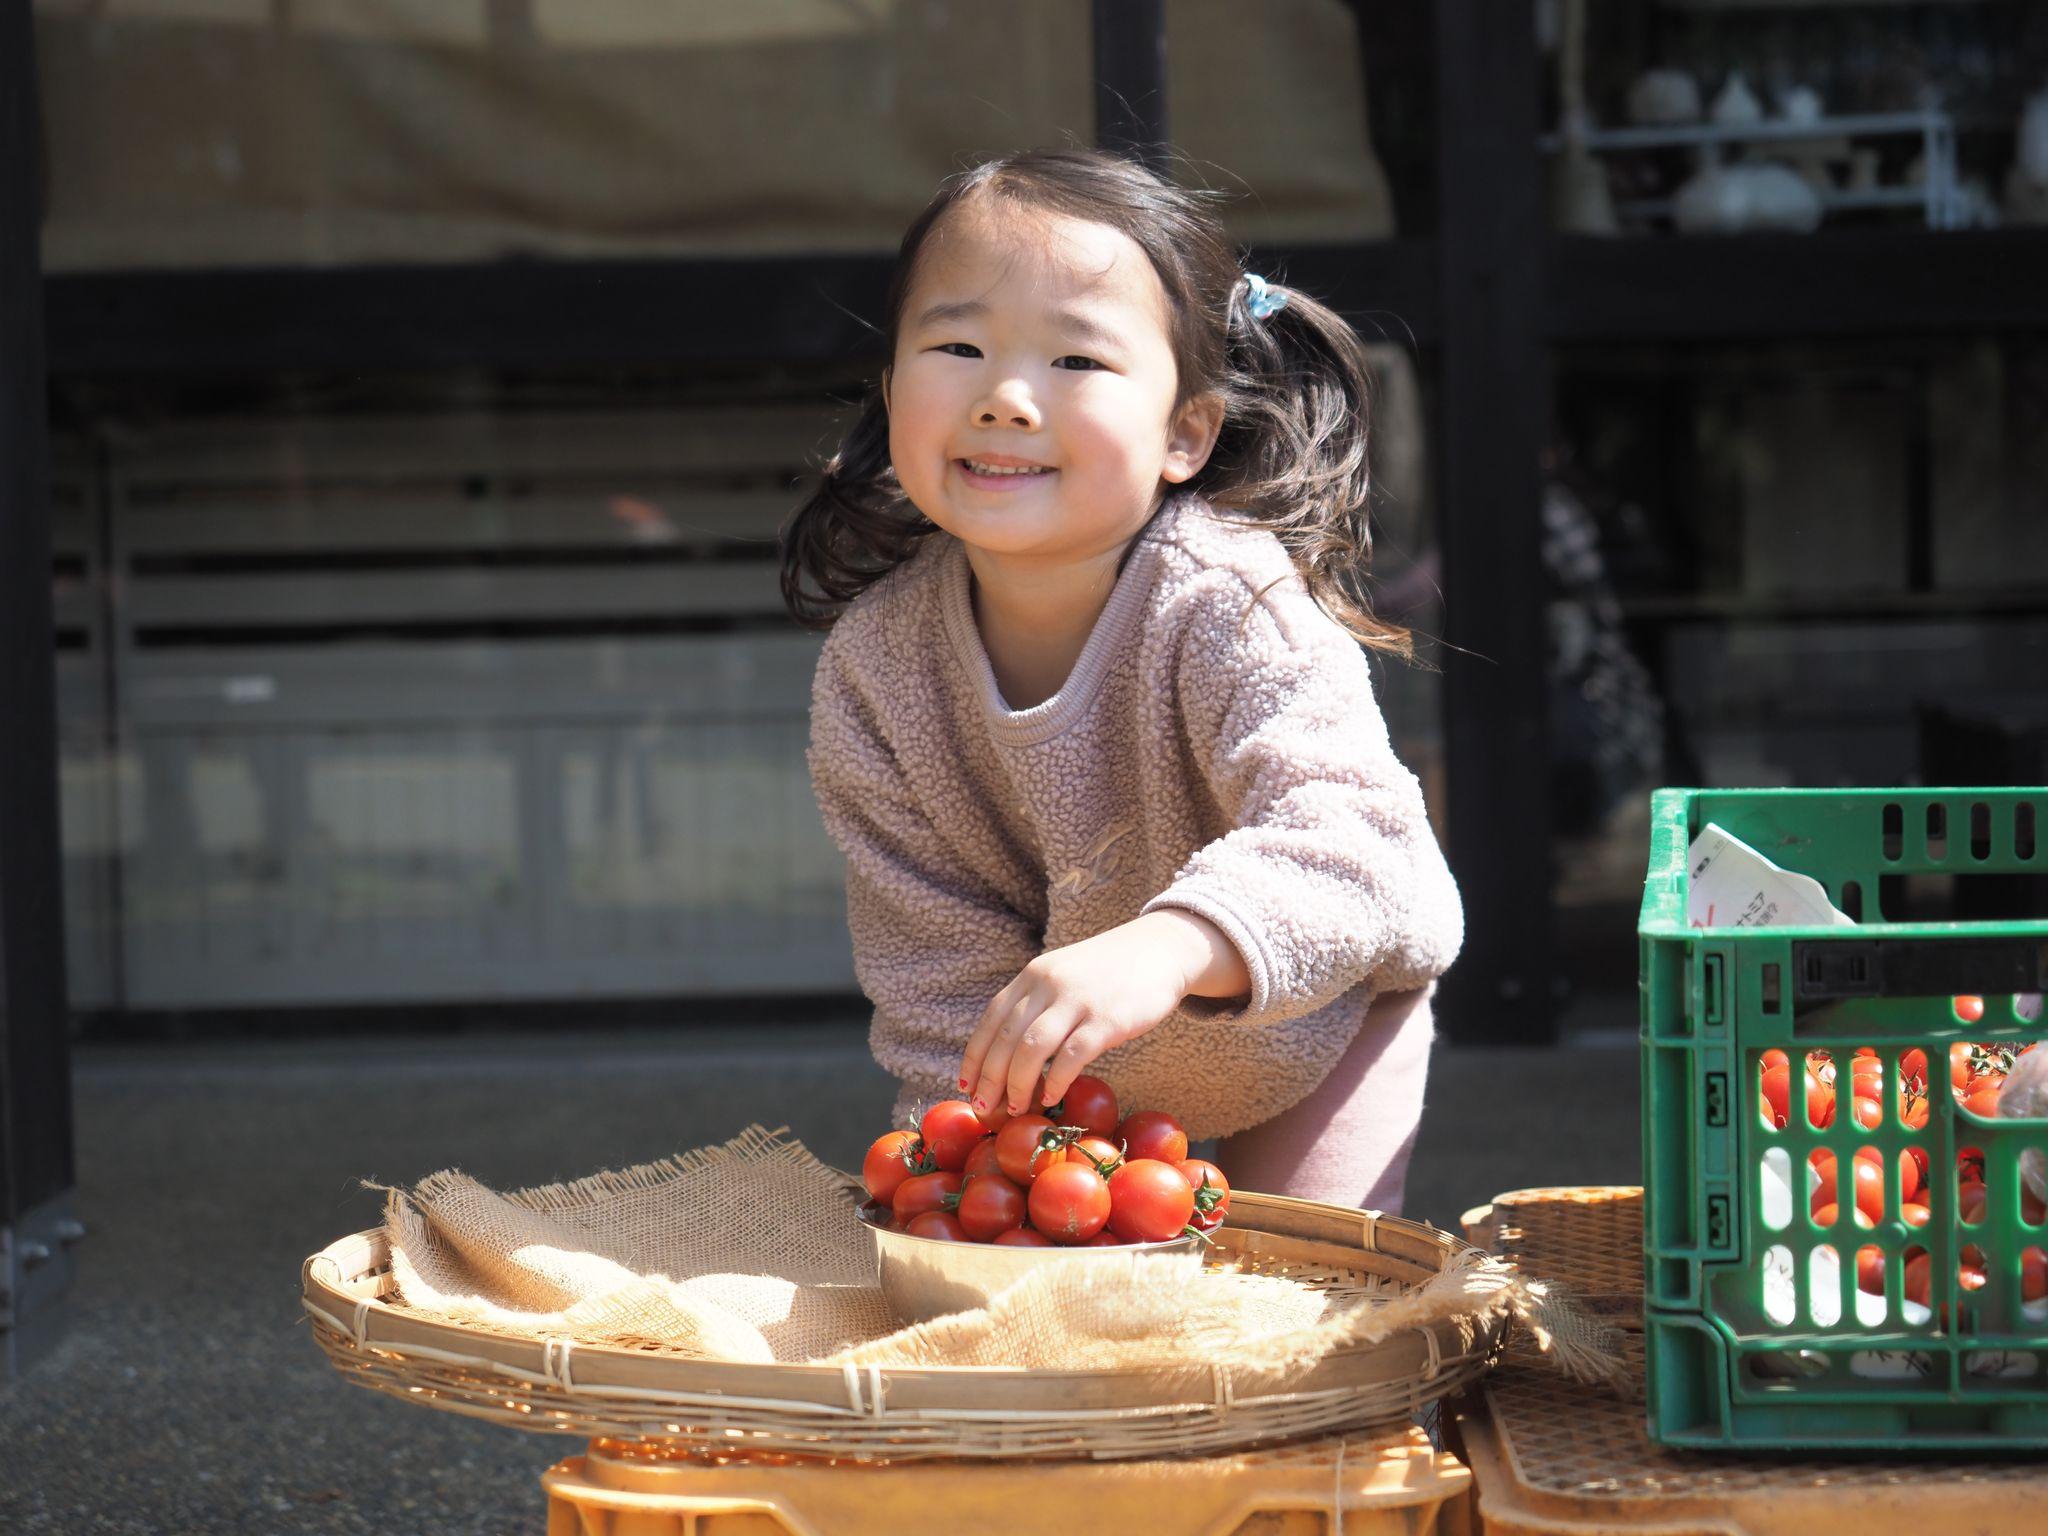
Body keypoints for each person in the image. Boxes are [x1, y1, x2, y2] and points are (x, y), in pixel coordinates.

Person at [779, 149, 1462, 1212]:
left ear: (1184, 431)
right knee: (1051, 1357)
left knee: (1298, 1343)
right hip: (1074, 1113)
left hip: (1318, 1035)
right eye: (956, 345)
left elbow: (1355, 848)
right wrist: (952, 1175)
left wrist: (1171, 944)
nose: (1004, 398)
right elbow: (934, 978)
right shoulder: (874, 666)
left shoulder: (1230, 599)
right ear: (887, 388)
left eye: (1075, 362)